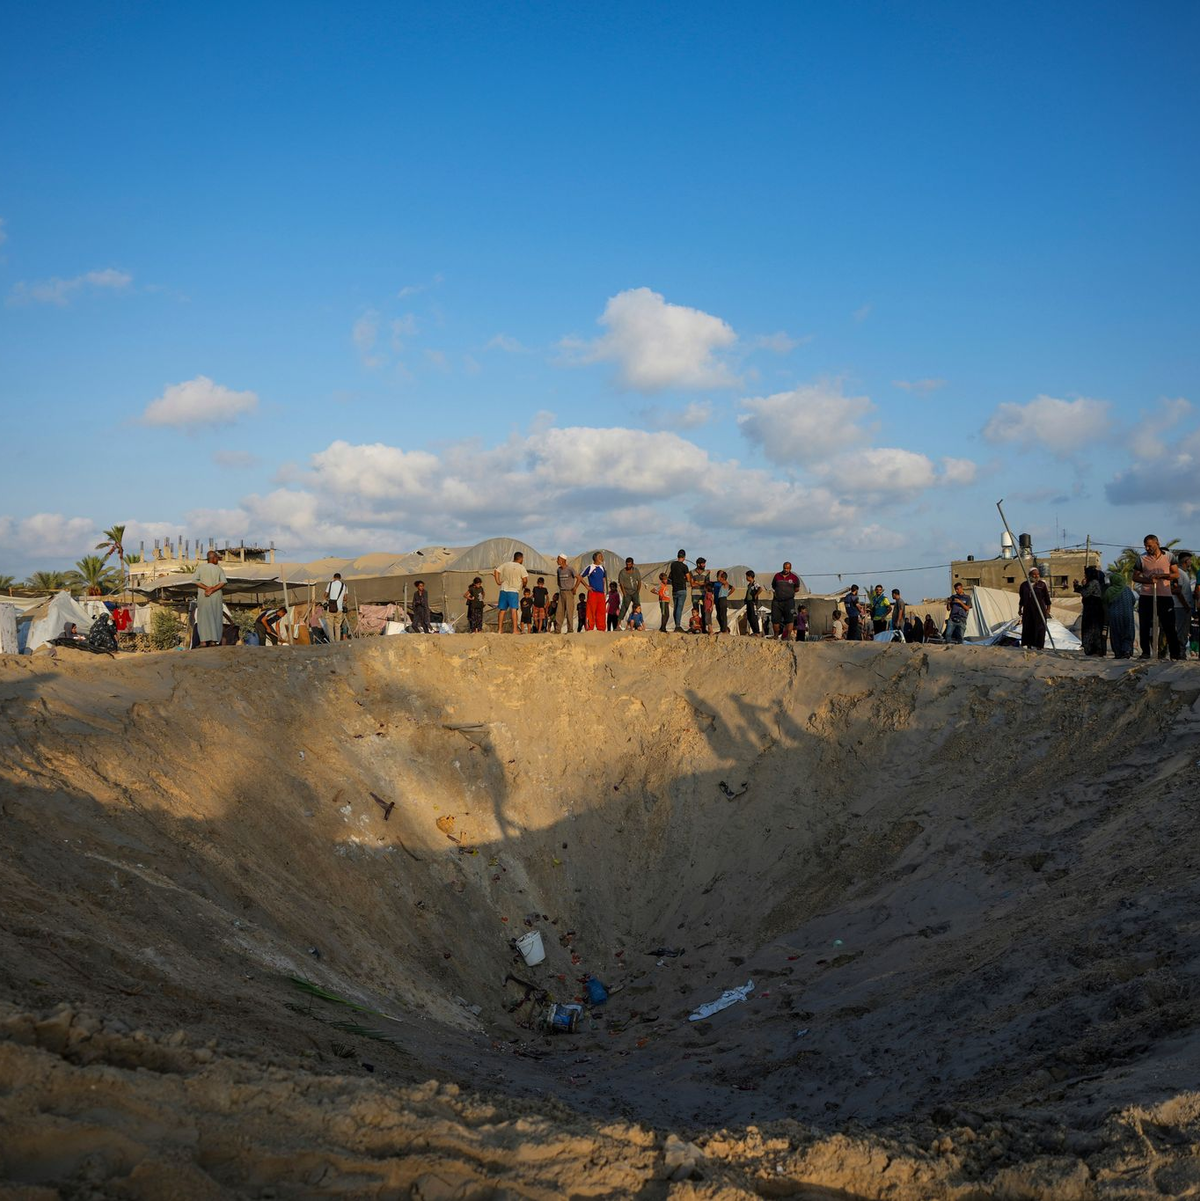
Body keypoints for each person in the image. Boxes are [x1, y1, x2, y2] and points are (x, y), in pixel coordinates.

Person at [1132, 535, 1181, 659]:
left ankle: (1175, 654)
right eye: (1146, 546)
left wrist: (1162, 576)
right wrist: (1148, 580)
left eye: (1150, 545)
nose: (1147, 548)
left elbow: (1175, 574)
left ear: (1157, 543)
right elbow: (1135, 577)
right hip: (1147, 595)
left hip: (1164, 595)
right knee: (1144, 625)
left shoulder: (1169, 557)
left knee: (1169, 625)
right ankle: (1146, 652)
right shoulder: (1141, 558)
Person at [195, 550, 227, 648]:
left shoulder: (200, 568)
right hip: (216, 597)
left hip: (204, 597)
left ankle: (203, 642)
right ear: (212, 558)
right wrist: (212, 589)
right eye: (217, 558)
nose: (217, 560)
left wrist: (207, 588)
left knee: (203, 618)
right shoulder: (219, 569)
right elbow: (223, 582)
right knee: (216, 617)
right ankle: (214, 641)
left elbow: (195, 581)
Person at [1073, 567, 1107, 656]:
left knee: (1092, 630)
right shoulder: (1092, 583)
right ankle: (1092, 649)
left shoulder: (1094, 582)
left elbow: (1085, 593)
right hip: (1091, 609)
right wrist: (1077, 586)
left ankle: (1094, 650)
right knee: (1091, 629)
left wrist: (1079, 587)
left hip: (1093, 610)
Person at [493, 551, 527, 634]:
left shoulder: (506, 564)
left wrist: (498, 581)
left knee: (502, 610)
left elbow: (496, 571)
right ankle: (515, 630)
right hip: (513, 591)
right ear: (521, 558)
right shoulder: (521, 567)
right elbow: (525, 579)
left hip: (504, 589)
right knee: (513, 610)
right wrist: (524, 585)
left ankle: (499, 630)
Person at [1018, 567, 1052, 649]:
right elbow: (1022, 598)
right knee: (1028, 627)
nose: (1036, 576)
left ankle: (1039, 645)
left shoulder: (1042, 585)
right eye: (1034, 574)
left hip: (1039, 610)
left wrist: (1048, 609)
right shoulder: (1024, 585)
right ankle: (1029, 644)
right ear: (1029, 575)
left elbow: (1047, 598)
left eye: (1038, 574)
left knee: (1040, 627)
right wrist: (1020, 608)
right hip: (1028, 610)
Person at [1105, 573, 1136, 658]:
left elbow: (1106, 602)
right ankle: (1127, 650)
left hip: (1114, 616)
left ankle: (1118, 653)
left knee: (1116, 634)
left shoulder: (1109, 590)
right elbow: (1133, 601)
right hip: (1127, 615)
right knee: (1128, 633)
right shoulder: (1127, 589)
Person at [1171, 550, 1195, 660]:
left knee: (1184, 631)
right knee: (1181, 631)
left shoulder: (1184, 573)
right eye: (1190, 560)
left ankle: (1181, 652)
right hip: (1180, 607)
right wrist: (1185, 605)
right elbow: (1177, 590)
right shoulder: (1180, 573)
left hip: (1183, 606)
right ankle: (1180, 653)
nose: (1191, 562)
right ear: (1186, 561)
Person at [771, 561, 800, 641]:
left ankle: (788, 636)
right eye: (785, 568)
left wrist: (789, 593)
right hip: (777, 601)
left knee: (789, 619)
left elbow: (797, 588)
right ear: (782, 567)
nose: (786, 569)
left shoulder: (794, 577)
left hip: (789, 601)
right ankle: (775, 635)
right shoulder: (777, 576)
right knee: (775, 619)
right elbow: (774, 586)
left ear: (790, 568)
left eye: (788, 568)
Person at [578, 552, 606, 631]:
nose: (601, 558)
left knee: (601, 611)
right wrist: (586, 586)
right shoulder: (590, 567)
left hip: (601, 594)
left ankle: (601, 628)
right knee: (591, 611)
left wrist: (603, 589)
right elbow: (580, 576)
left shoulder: (602, 568)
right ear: (595, 558)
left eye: (602, 556)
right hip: (593, 593)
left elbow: (603, 579)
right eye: (600, 556)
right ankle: (589, 628)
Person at [668, 550, 690, 632]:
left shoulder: (673, 565)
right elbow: (688, 578)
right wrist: (684, 578)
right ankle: (678, 626)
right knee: (679, 608)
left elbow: (671, 576)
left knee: (675, 607)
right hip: (682, 589)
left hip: (674, 589)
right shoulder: (684, 567)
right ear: (684, 557)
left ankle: (676, 625)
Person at [555, 554, 578, 633]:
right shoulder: (558, 570)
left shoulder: (570, 569)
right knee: (559, 611)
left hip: (569, 592)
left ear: (562, 560)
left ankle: (570, 630)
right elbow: (558, 581)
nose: (557, 561)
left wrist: (575, 588)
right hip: (561, 592)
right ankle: (557, 630)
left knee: (569, 611)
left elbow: (579, 578)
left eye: (558, 559)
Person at [617, 557, 643, 625]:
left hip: (635, 592)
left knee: (638, 607)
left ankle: (639, 623)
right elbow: (621, 584)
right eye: (627, 564)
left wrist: (637, 591)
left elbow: (639, 581)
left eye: (629, 564)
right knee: (624, 608)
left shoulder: (636, 570)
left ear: (632, 564)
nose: (628, 566)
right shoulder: (622, 572)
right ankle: (618, 625)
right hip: (627, 593)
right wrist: (624, 593)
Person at [324, 572, 347, 644]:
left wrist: (329, 599)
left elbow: (325, 595)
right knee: (338, 627)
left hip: (331, 609)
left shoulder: (330, 584)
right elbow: (346, 598)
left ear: (333, 578)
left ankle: (332, 642)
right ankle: (338, 643)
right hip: (339, 609)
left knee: (330, 626)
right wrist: (340, 600)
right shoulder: (344, 586)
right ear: (340, 578)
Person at [689, 557, 711, 634]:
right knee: (695, 612)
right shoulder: (692, 572)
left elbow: (707, 584)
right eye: (702, 563)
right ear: (698, 564)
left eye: (704, 563)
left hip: (702, 595)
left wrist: (697, 582)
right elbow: (692, 584)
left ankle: (703, 628)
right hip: (695, 594)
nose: (704, 565)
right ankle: (695, 628)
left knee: (703, 611)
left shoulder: (707, 573)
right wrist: (701, 583)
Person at [743, 570, 762, 636]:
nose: (746, 578)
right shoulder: (749, 585)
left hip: (753, 603)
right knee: (749, 617)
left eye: (747, 576)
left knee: (754, 616)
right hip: (748, 602)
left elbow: (760, 589)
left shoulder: (755, 584)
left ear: (750, 576)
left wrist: (756, 595)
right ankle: (754, 631)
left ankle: (757, 632)